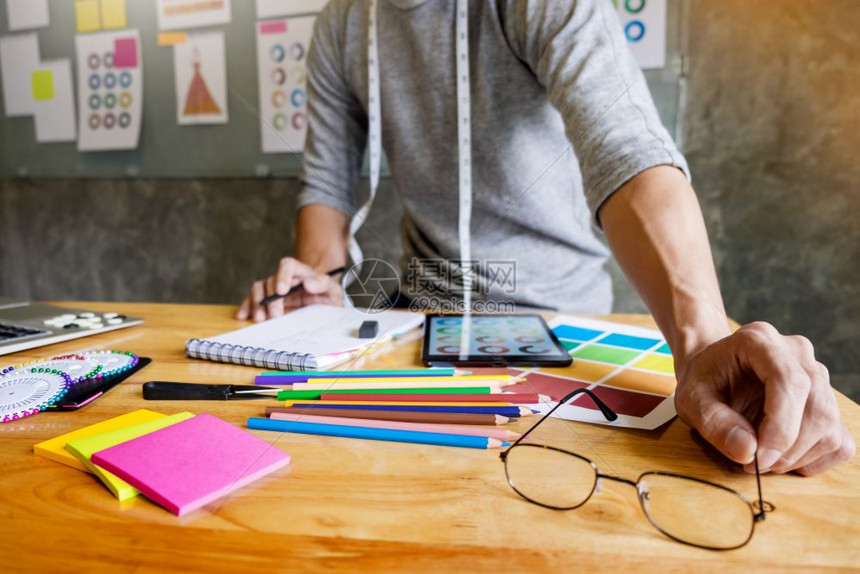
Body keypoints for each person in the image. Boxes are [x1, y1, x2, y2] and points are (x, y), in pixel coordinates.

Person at [237, 0, 854, 476]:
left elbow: (627, 152)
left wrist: (701, 341)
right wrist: (318, 284)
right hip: (425, 320)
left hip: (564, 318)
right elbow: (327, 188)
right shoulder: (343, 23)